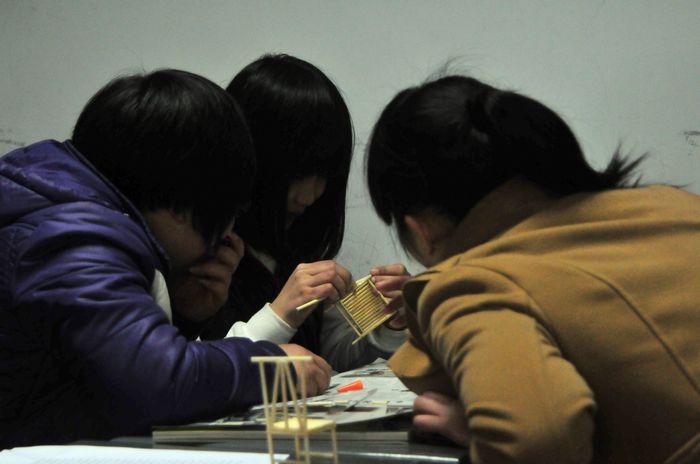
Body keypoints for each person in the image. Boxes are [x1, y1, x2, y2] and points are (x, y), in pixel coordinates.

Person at [365, 75, 700, 463]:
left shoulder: (473, 283)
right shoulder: (673, 206)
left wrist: (482, 434)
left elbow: (533, 443)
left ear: (422, 230)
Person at [0, 69, 330, 449]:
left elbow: (95, 376)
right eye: (223, 221)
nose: (225, 242)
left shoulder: (63, 208)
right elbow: (157, 382)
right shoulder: (73, 239)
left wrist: (183, 316)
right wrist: (270, 370)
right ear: (180, 209)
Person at [195, 54, 408, 371]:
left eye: (325, 175)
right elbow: (196, 372)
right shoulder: (200, 260)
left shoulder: (293, 250)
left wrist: (388, 320)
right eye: (298, 173)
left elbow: (327, 356)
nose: (311, 195)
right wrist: (281, 314)